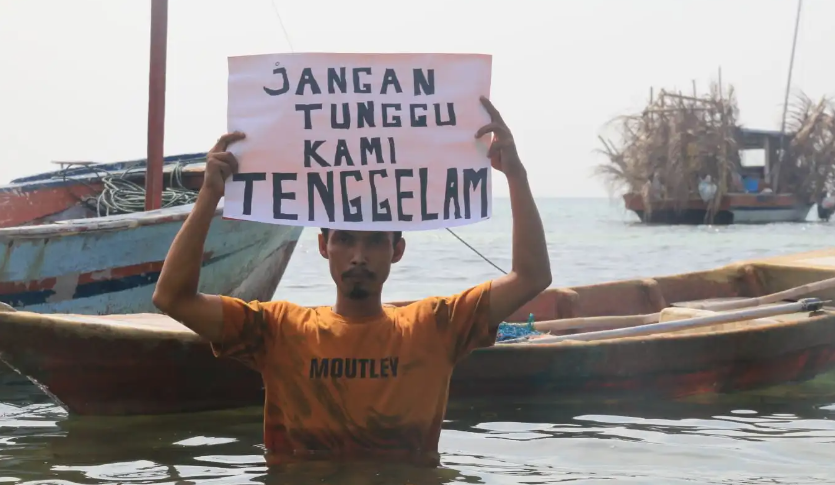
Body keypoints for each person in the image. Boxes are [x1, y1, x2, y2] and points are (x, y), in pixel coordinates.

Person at [152, 96, 552, 467]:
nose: (359, 255)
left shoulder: (435, 325)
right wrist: (209, 195)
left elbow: (532, 277)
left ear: (397, 250)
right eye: (345, 239)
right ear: (325, 245)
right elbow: (172, 297)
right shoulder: (279, 330)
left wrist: (515, 172)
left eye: (375, 240)